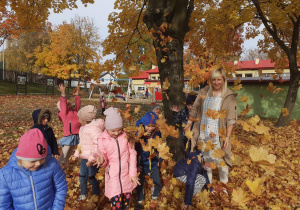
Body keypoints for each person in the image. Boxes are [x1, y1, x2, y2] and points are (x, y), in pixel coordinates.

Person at [185, 68, 237, 192]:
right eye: (213, 79)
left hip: (218, 135)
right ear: (210, 80)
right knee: (206, 163)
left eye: (219, 79)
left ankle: (223, 188)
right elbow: (195, 109)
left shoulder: (228, 96)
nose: (216, 82)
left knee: (221, 163)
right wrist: (189, 123)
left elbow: (231, 119)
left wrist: (228, 137)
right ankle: (210, 187)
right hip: (203, 134)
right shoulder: (204, 92)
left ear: (223, 80)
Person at [0, 129, 68, 210]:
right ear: (21, 158)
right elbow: (3, 204)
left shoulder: (52, 165)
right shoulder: (5, 174)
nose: (38, 163)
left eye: (42, 159)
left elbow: (61, 188)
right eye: (33, 161)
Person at [95, 107, 140, 210]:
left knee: (125, 205)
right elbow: (103, 157)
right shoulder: (102, 139)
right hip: (113, 178)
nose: (116, 133)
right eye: (113, 131)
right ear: (107, 128)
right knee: (116, 206)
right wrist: (101, 160)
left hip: (127, 177)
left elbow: (132, 154)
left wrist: (133, 172)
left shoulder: (126, 137)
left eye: (119, 130)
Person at [73, 105, 105, 200]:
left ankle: (96, 193)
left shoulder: (94, 129)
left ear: (84, 120)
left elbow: (99, 145)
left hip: (92, 159)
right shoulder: (82, 128)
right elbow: (81, 143)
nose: (78, 121)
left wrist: (92, 158)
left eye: (79, 119)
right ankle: (83, 193)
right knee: (82, 176)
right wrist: (76, 154)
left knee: (92, 177)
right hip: (84, 158)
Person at [135, 111, 162, 209]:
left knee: (157, 182)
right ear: (144, 125)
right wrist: (137, 164)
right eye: (148, 126)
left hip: (154, 164)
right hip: (143, 164)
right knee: (140, 183)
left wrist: (159, 160)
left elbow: (160, 148)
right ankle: (140, 198)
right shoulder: (140, 135)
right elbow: (136, 151)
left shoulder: (157, 133)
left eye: (152, 126)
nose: (150, 128)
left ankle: (154, 195)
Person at [57, 83, 81, 167]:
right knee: (64, 154)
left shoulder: (75, 111)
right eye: (67, 104)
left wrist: (77, 96)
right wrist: (63, 93)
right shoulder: (64, 113)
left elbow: (78, 105)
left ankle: (65, 166)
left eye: (69, 103)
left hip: (75, 135)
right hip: (69, 136)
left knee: (69, 154)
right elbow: (63, 103)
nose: (69, 104)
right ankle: (59, 167)